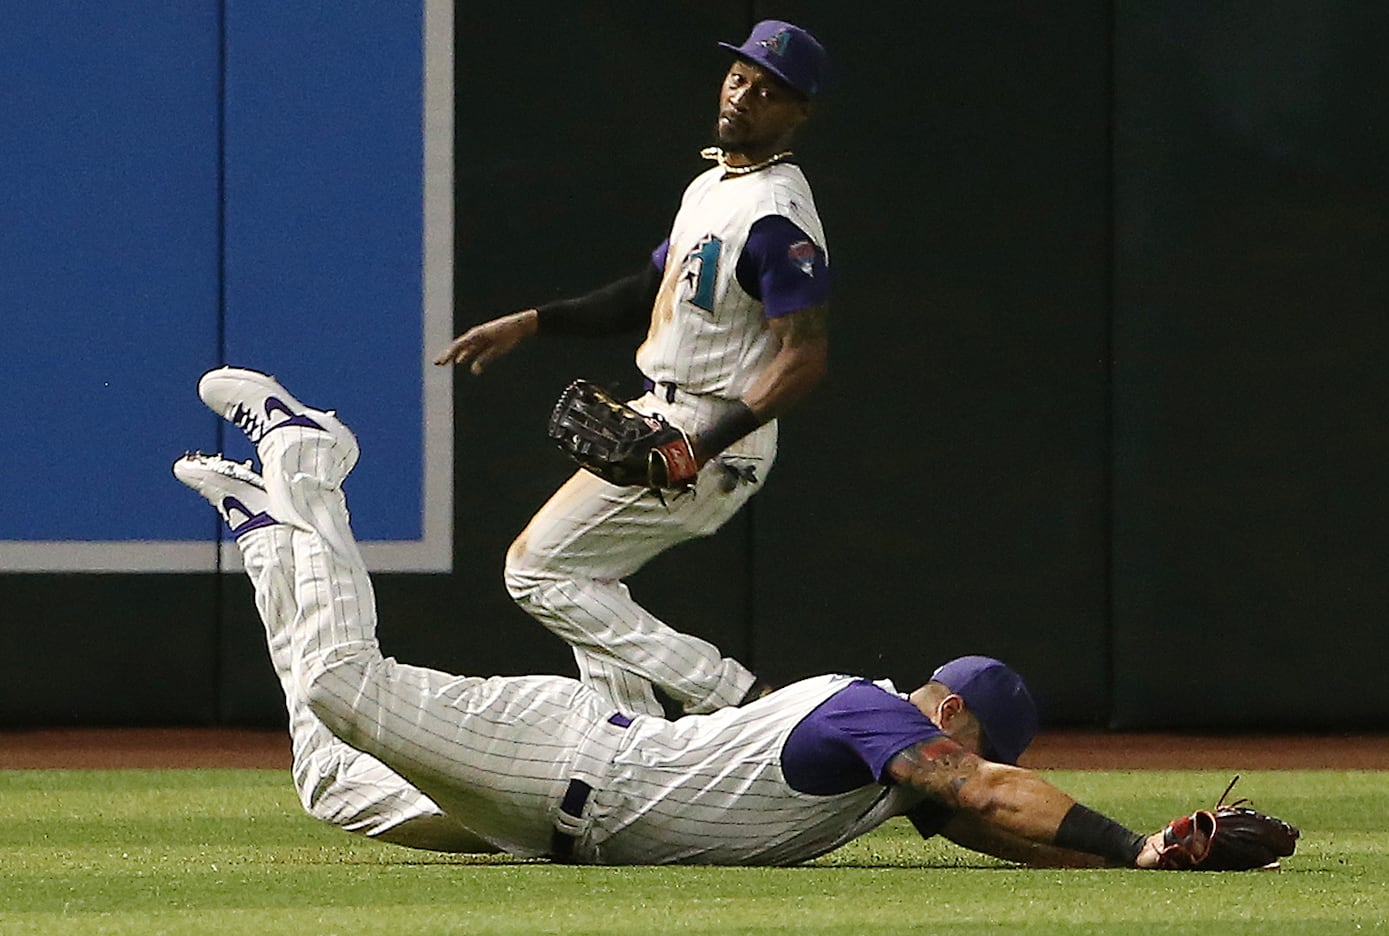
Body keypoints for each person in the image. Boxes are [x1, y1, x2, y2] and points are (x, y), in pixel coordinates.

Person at [180, 367, 1178, 868]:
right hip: (560, 762)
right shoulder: (870, 714)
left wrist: (1156, 858)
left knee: (331, 785)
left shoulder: (888, 782)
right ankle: (307, 457)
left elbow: (985, 818)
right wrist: (1131, 843)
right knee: (336, 687)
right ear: (950, 715)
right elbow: (981, 793)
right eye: (972, 757)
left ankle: (269, 534)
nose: (950, 799)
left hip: (559, 818)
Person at [435, 20, 833, 718]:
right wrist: (533, 321)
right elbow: (644, 292)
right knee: (583, 581)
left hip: (714, 434)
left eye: (769, 91)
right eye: (739, 77)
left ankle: (742, 701)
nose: (744, 95)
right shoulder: (713, 186)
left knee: (535, 571)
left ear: (798, 113)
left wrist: (699, 446)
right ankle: (636, 747)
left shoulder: (777, 217)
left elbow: (803, 356)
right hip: (666, 414)